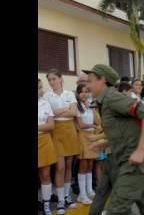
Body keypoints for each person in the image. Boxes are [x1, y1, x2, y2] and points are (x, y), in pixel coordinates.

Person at [83, 64, 144, 215]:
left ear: (102, 80)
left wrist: (141, 151)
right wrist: (106, 142)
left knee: (116, 210)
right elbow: (124, 130)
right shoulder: (104, 102)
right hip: (130, 163)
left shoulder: (112, 98)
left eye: (90, 81)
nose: (87, 85)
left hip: (136, 166)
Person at [44, 69, 80, 214]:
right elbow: (50, 113)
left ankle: (67, 196)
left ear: (60, 78)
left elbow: (74, 112)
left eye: (54, 79)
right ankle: (60, 200)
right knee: (60, 167)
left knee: (69, 165)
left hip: (70, 130)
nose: (52, 82)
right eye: (49, 80)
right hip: (55, 131)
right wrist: (66, 109)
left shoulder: (70, 94)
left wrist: (58, 110)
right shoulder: (46, 95)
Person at [75, 84, 100, 204]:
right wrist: (92, 126)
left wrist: (92, 108)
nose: (85, 94)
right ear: (78, 93)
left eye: (86, 92)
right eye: (82, 92)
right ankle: (82, 194)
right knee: (83, 165)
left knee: (90, 165)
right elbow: (81, 125)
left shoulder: (90, 106)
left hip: (92, 136)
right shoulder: (77, 106)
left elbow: (98, 121)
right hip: (82, 136)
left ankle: (89, 191)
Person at [38, 79, 58, 215]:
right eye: (39, 88)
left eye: (41, 87)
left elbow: (51, 126)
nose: (41, 90)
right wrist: (42, 127)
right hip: (43, 135)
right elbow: (47, 125)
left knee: (45, 175)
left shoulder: (45, 103)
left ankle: (46, 205)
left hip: (45, 141)